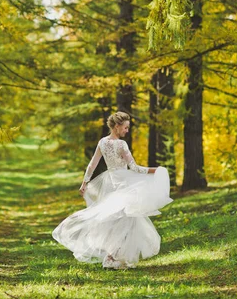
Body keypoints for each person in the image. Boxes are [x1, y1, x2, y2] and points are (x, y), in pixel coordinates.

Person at [52, 111, 173, 269]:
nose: (127, 131)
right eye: (125, 128)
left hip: (109, 182)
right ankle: (112, 257)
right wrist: (155, 170)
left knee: (113, 221)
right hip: (122, 184)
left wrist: (84, 182)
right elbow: (135, 168)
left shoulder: (102, 142)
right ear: (117, 126)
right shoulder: (122, 145)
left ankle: (114, 257)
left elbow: (92, 165)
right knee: (126, 220)